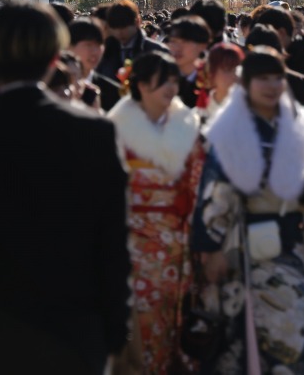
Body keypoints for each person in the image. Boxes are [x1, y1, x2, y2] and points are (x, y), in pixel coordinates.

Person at [0, 1, 131, 375]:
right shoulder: (94, 133)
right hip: (75, 332)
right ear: (54, 58)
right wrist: (115, 333)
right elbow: (112, 246)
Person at [193, 47, 304, 373]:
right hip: (241, 246)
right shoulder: (229, 130)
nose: (272, 86)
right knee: (242, 337)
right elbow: (214, 192)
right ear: (246, 84)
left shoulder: (300, 128)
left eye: (277, 78)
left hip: (291, 245)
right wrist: (211, 249)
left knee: (293, 329)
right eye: (263, 79)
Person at [109, 50, 204, 373]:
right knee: (141, 322)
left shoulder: (188, 126)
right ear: (141, 84)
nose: (171, 88)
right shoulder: (114, 128)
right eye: (163, 81)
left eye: (174, 80)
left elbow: (198, 183)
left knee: (173, 319)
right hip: (132, 240)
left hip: (178, 237)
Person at [94, 0, 164, 110]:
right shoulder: (104, 51)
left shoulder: (156, 51)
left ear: (137, 22)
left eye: (124, 27)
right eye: (115, 28)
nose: (119, 32)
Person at [166, 15, 211, 108]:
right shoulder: (159, 77)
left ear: (202, 45)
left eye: (185, 41)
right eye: (173, 41)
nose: (177, 48)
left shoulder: (212, 79)